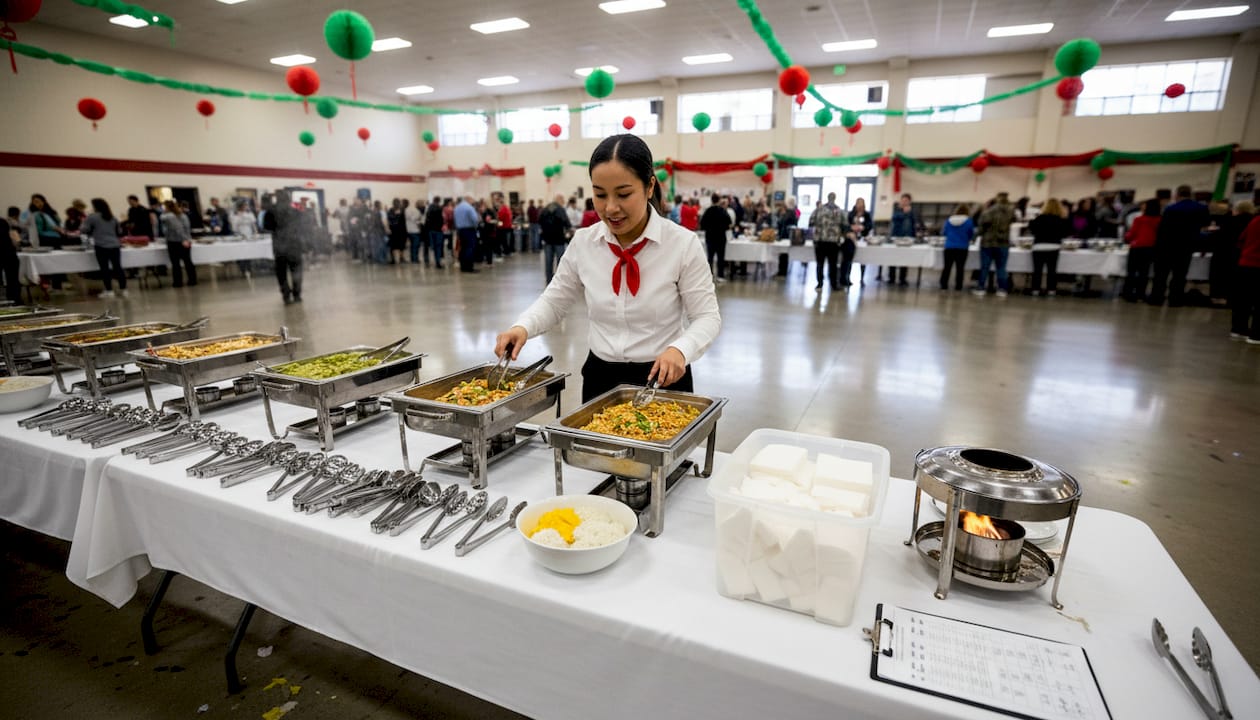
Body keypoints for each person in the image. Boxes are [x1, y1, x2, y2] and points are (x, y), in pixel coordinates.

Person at [495, 134, 720, 402]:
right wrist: (522, 327)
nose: (610, 207)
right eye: (599, 195)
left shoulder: (681, 244)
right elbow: (555, 301)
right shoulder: (584, 242)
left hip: (662, 379)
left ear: (649, 187)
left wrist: (681, 350)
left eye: (623, 194)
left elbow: (707, 317)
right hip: (600, 379)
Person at [1149, 185, 1209, 306]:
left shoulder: (1170, 209)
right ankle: (1175, 299)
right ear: (1190, 194)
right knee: (1180, 275)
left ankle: (1157, 298)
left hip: (1167, 245)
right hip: (1186, 246)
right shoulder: (1201, 208)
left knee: (1161, 275)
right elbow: (1205, 225)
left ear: (1177, 194)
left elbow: (1162, 229)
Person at [78, 198, 126, 298]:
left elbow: (83, 229)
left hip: (101, 246)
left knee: (105, 269)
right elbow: (119, 231)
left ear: (95, 206)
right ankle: (123, 289)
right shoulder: (112, 217)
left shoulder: (92, 217)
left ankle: (109, 290)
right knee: (118, 267)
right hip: (115, 245)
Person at [974, 192, 1014, 297]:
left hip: (987, 243)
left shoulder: (987, 212)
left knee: (984, 267)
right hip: (1003, 243)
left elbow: (981, 228)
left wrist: (975, 237)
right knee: (1001, 268)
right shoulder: (1010, 212)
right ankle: (1002, 289)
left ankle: (981, 288)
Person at [1028, 198, 1070, 296]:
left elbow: (1032, 229)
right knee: (1052, 270)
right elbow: (1065, 233)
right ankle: (1051, 290)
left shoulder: (1039, 218)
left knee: (1037, 270)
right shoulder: (1061, 220)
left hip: (1039, 246)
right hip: (1054, 246)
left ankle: (1035, 289)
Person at [1230, 209, 1260, 343]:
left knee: (1242, 299)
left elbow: (1241, 240)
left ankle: (1238, 329)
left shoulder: (1254, 220)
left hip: (1245, 263)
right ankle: (1256, 334)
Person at [1123, 199, 1162, 302]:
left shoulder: (1139, 219)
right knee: (1144, 272)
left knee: (1131, 271)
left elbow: (1132, 234)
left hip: (1137, 247)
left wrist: (1126, 237)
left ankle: (1129, 293)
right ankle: (1141, 293)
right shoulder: (1159, 220)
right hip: (1150, 248)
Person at [808, 192, 848, 291]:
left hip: (821, 240)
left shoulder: (818, 210)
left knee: (821, 264)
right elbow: (845, 225)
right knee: (832, 264)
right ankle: (833, 285)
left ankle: (820, 284)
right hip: (832, 241)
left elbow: (811, 223)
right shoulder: (840, 211)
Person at [270, 191, 303, 303]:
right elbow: (302, 227)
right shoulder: (295, 211)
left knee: (281, 272)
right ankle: (297, 295)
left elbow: (266, 226)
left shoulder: (271, 211)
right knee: (296, 271)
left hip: (279, 246)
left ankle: (286, 296)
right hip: (294, 245)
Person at [160, 199, 196, 287]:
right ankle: (192, 280)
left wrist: (183, 239)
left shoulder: (168, 216)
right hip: (186, 240)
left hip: (174, 242)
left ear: (167, 207)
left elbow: (177, 228)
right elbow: (187, 227)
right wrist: (187, 239)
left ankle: (178, 282)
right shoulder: (183, 215)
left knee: (175, 263)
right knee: (188, 261)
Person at [940, 203, 974, 291]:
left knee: (947, 267)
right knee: (960, 268)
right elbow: (971, 234)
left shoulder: (948, 220)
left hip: (949, 247)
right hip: (962, 247)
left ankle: (944, 285)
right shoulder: (969, 221)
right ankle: (958, 286)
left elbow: (944, 232)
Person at [539, 193, 572, 284]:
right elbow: (566, 222)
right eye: (563, 200)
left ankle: (548, 280)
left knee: (548, 261)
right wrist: (569, 229)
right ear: (560, 199)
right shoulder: (561, 209)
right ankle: (559, 282)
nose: (564, 202)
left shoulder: (545, 209)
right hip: (559, 239)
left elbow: (539, 220)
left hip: (547, 240)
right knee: (560, 261)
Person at [700, 194, 734, 283]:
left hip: (710, 237)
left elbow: (702, 225)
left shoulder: (707, 211)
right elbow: (729, 225)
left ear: (711, 200)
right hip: (721, 238)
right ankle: (720, 276)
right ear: (719, 200)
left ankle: (709, 275)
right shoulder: (723, 211)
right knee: (720, 258)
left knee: (710, 258)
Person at [888, 194, 918, 285]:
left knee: (905, 258)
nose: (904, 202)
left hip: (908, 238)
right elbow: (894, 218)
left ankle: (902, 278)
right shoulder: (896, 209)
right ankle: (891, 278)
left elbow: (915, 222)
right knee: (893, 258)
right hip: (896, 236)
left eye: (906, 200)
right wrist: (903, 212)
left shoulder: (912, 211)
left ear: (909, 202)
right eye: (903, 200)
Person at [848, 197, 873, 284]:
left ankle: (862, 278)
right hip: (852, 238)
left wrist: (863, 227)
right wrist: (852, 227)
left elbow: (870, 225)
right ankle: (848, 277)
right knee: (850, 258)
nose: (860, 206)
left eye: (861, 204)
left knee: (863, 259)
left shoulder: (866, 214)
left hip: (863, 237)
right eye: (858, 204)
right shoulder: (851, 214)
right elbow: (847, 224)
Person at [454, 195, 480, 273]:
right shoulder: (469, 208)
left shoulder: (457, 208)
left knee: (463, 248)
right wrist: (476, 226)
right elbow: (475, 219)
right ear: (469, 199)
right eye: (473, 200)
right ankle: (469, 267)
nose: (473, 201)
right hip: (469, 230)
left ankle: (463, 267)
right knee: (470, 248)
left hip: (460, 230)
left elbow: (455, 219)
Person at [2, 215, 21, 303]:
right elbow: (16, 242)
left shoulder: (3, 221)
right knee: (13, 280)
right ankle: (15, 300)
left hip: (8, 253)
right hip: (10, 253)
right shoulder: (3, 222)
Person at [423, 196, 445, 268]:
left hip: (430, 229)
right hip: (438, 230)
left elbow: (426, 219)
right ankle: (437, 261)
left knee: (430, 246)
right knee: (438, 246)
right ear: (439, 201)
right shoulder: (440, 208)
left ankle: (427, 260)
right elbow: (442, 220)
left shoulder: (429, 208)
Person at [405, 197, 423, 264]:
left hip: (408, 230)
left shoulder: (407, 210)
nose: (422, 206)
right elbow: (416, 221)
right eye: (422, 204)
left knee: (412, 246)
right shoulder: (417, 211)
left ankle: (412, 258)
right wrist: (420, 228)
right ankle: (415, 259)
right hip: (415, 230)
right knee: (416, 245)